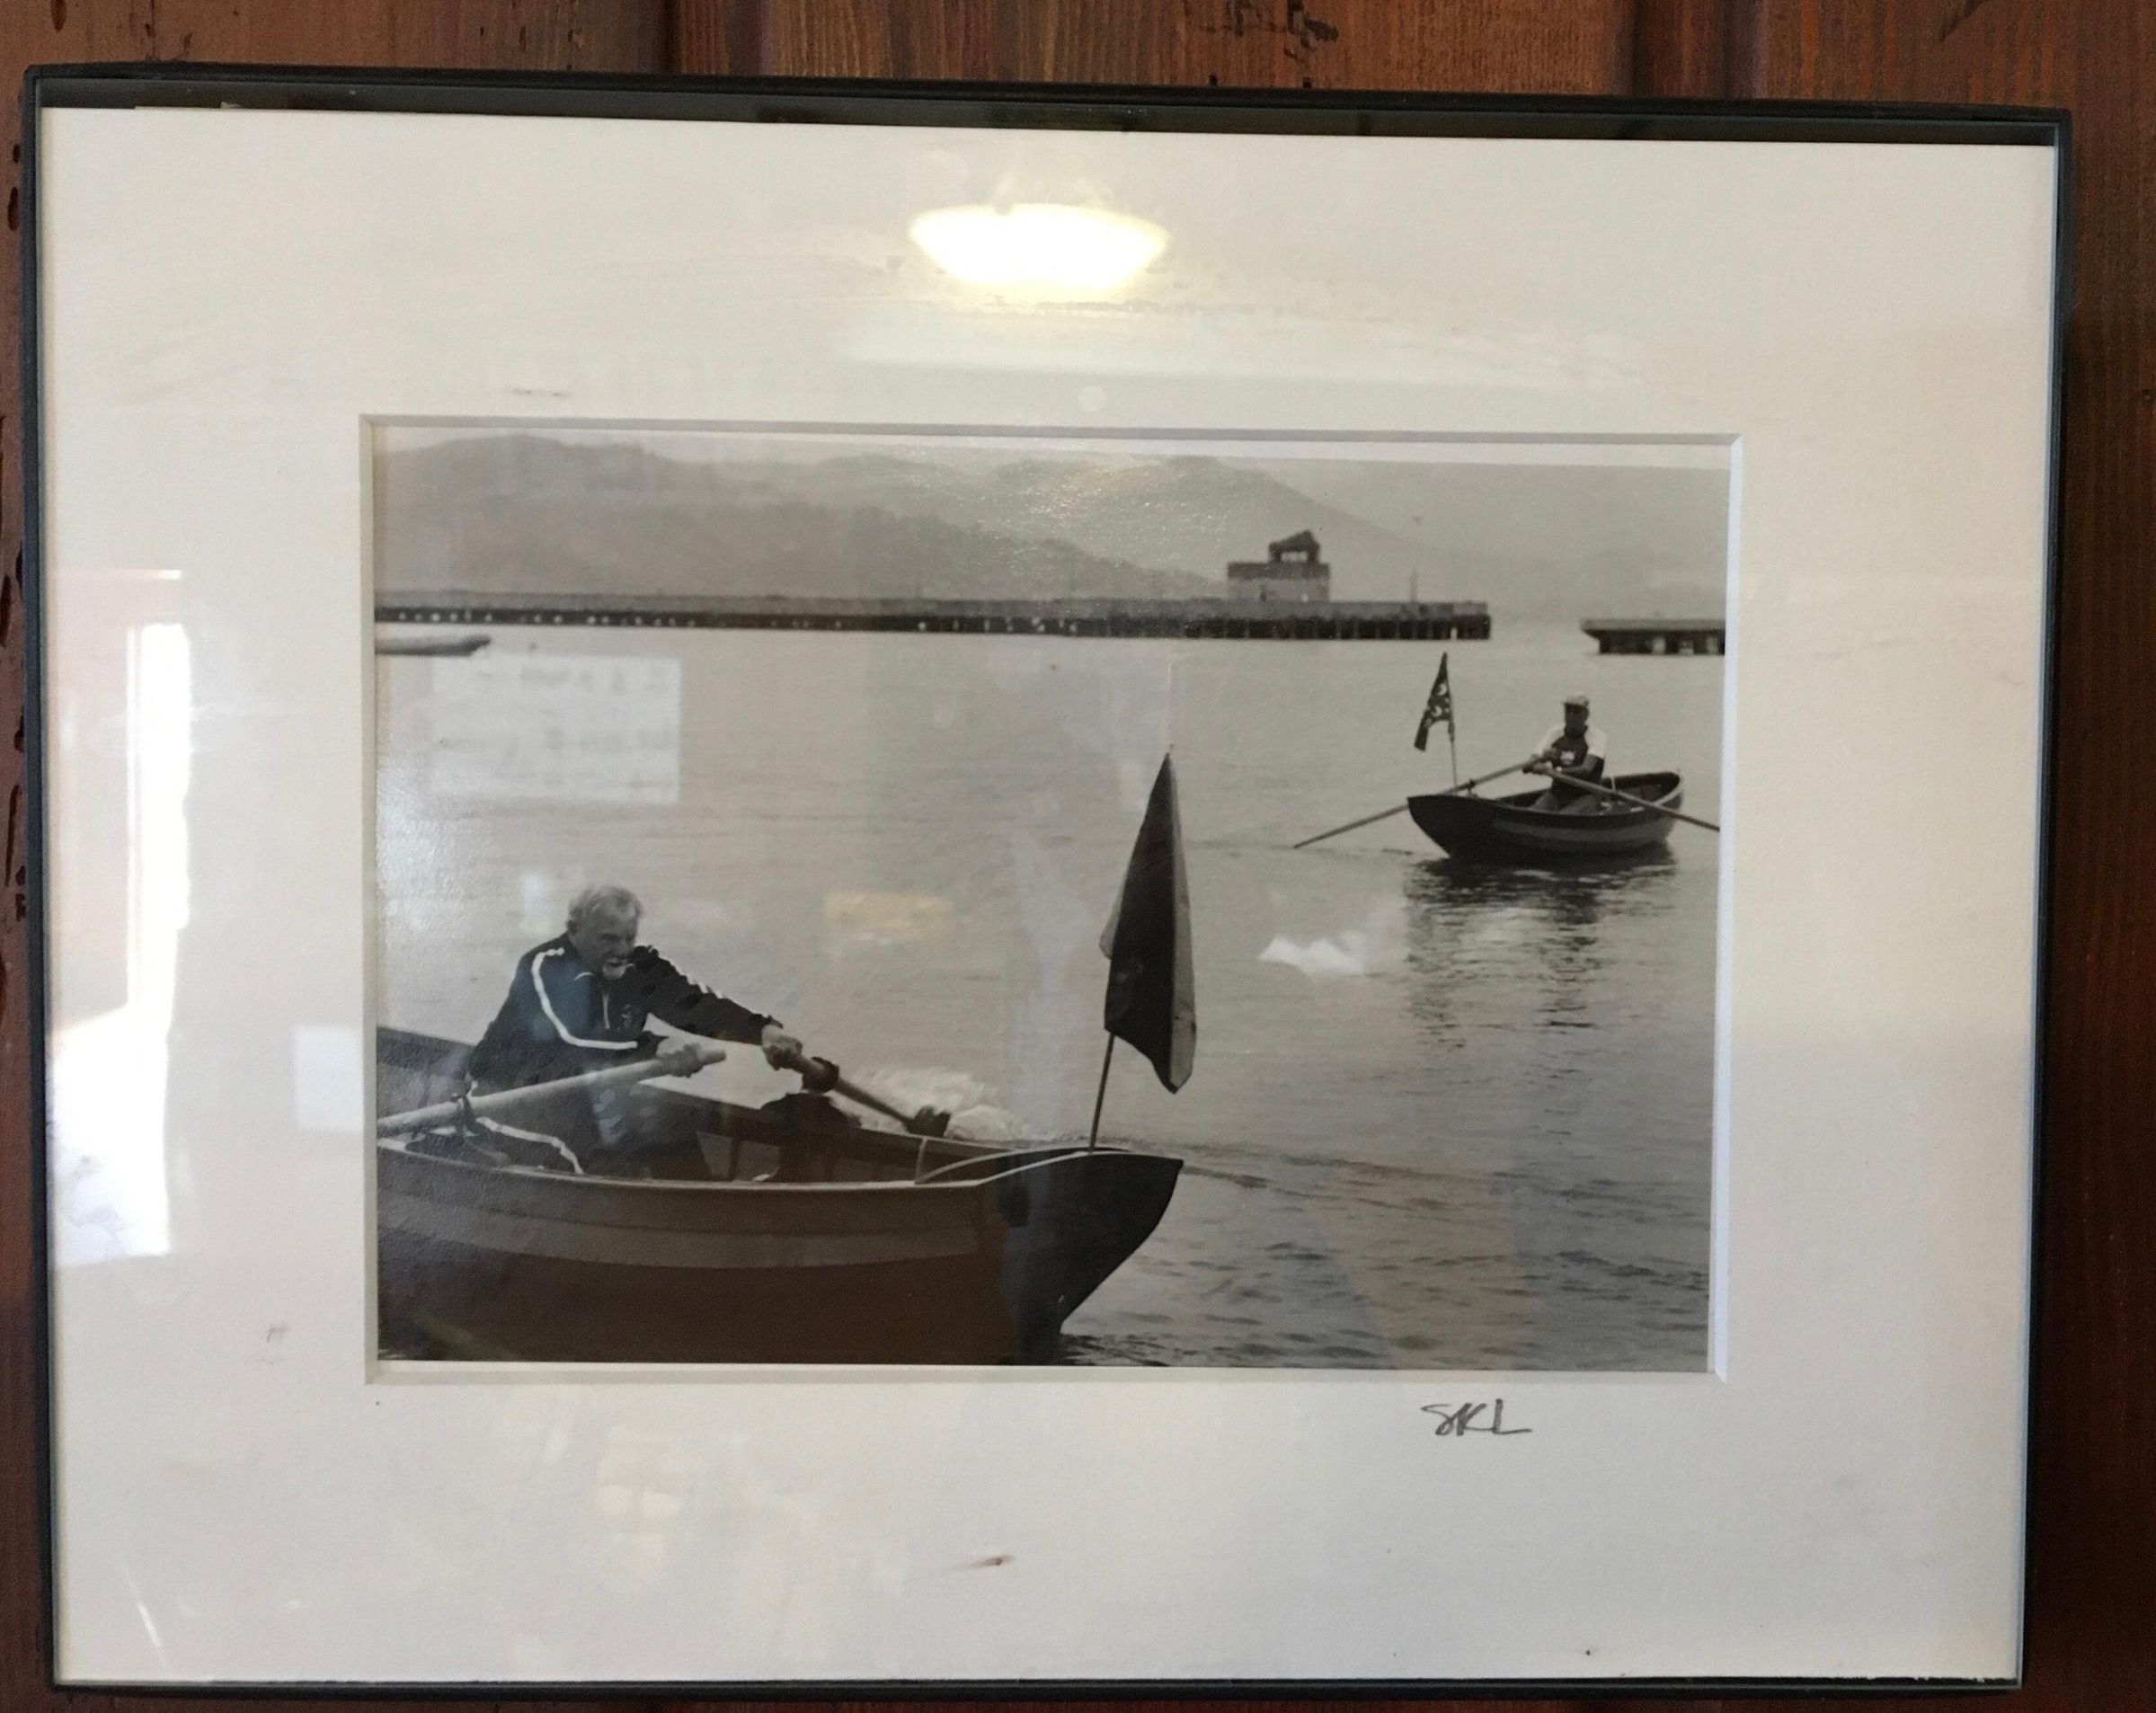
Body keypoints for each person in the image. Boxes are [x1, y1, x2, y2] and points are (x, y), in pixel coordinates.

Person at [464, 883, 803, 1171]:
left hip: (589, 1104)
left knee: (677, 1137)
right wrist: (656, 1047)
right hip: (507, 1103)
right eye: (608, 939)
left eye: (629, 938)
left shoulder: (638, 968)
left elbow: (695, 1004)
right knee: (579, 1163)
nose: (622, 951)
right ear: (573, 929)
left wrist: (764, 1031)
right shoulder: (546, 966)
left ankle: (698, 1216)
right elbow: (574, 1037)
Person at [1528, 695, 1610, 813]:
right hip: (1556, 795)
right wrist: (1539, 761)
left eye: (1576, 711)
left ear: (1586, 715)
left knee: (1564, 816)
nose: (1571, 715)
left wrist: (1554, 771)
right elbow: (1532, 760)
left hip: (1586, 796)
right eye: (1568, 710)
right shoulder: (1555, 732)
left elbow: (1585, 770)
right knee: (1531, 813)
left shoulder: (1597, 736)